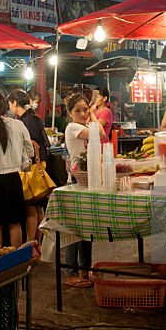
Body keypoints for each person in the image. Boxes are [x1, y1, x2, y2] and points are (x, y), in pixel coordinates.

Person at [0, 92, 33, 248]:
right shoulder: (18, 125)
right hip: (15, 179)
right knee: (15, 223)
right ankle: (17, 263)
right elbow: (30, 149)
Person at [63, 93, 103, 287]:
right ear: (70, 113)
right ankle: (71, 273)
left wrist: (91, 114)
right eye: (78, 110)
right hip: (76, 182)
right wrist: (94, 113)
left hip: (88, 181)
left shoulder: (84, 126)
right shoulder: (73, 127)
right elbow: (101, 134)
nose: (83, 113)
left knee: (86, 230)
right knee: (74, 230)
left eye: (85, 109)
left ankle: (84, 271)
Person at [8, 89, 50, 242]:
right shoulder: (33, 117)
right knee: (38, 207)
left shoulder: (26, 120)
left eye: (10, 104)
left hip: (33, 168)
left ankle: (31, 242)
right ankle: (39, 242)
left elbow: (34, 145)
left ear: (14, 103)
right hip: (40, 166)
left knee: (31, 208)